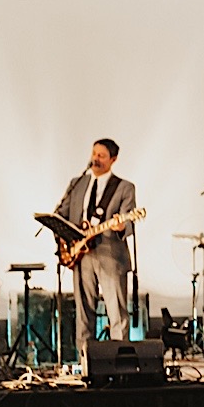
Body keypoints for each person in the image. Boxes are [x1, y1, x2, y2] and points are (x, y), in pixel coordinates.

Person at [54, 138, 136, 358]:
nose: (95, 159)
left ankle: (121, 362)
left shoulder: (124, 187)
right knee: (83, 313)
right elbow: (62, 213)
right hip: (81, 255)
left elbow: (128, 221)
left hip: (110, 254)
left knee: (116, 312)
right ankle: (85, 363)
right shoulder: (77, 183)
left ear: (113, 159)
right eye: (94, 154)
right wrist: (64, 239)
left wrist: (121, 225)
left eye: (101, 155)